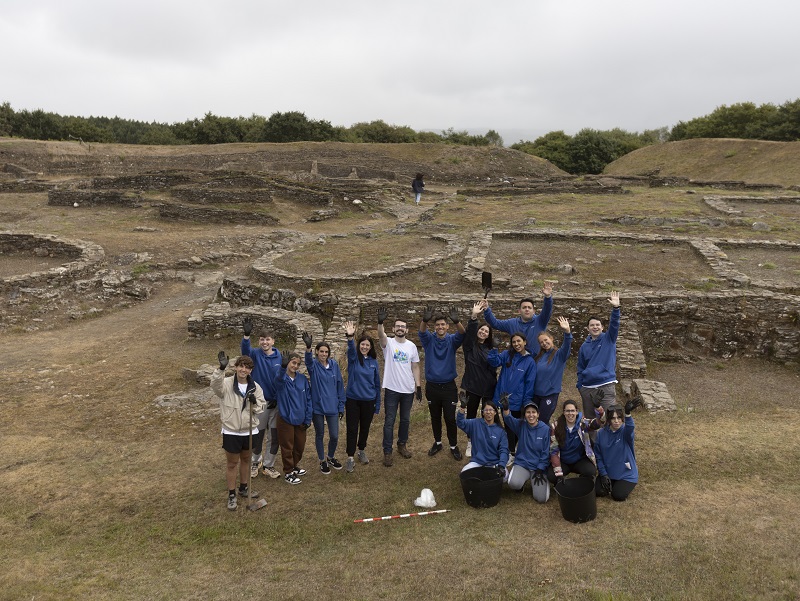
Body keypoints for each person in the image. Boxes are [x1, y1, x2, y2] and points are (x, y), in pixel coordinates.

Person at [210, 352, 265, 510]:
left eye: (247, 367)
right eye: (241, 366)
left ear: (250, 371)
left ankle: (244, 488)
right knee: (232, 463)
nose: (244, 370)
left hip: (249, 431)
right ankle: (232, 494)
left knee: (246, 460)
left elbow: (262, 407)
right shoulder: (226, 383)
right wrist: (220, 369)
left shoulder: (256, 387)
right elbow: (215, 386)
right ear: (236, 367)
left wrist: (254, 404)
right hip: (232, 430)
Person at [419, 306, 466, 460]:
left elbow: (462, 334)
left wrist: (457, 321)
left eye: (443, 324)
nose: (440, 327)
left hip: (448, 387)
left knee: (450, 418)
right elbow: (421, 331)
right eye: (437, 325)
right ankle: (438, 442)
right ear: (435, 327)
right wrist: (424, 320)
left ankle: (453, 445)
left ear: (447, 326)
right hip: (432, 386)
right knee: (435, 417)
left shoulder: (452, 340)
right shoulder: (429, 340)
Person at [378, 307, 422, 467]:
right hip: (391, 389)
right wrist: (380, 322)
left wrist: (418, 386)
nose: (400, 328)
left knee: (405, 420)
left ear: (407, 330)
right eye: (398, 326)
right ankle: (387, 452)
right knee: (389, 421)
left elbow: (415, 366)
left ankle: (401, 445)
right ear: (393, 329)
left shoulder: (411, 346)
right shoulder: (388, 343)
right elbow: (380, 336)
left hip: (408, 390)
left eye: (403, 326)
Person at [240, 319, 283, 480]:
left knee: (274, 436)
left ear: (273, 341)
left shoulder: (280, 357)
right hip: (260, 404)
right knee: (258, 435)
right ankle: (255, 462)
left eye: (268, 339)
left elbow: (283, 380)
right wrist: (246, 336)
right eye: (262, 339)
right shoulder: (255, 355)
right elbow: (245, 352)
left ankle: (269, 465)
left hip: (276, 404)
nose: (265, 342)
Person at [487, 332, 536, 463]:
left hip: (517, 400)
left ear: (525, 342)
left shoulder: (529, 361)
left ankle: (514, 451)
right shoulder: (507, 355)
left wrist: (526, 402)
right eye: (514, 342)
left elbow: (529, 383)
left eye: (519, 341)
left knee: (514, 427)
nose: (516, 344)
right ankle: (510, 451)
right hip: (503, 398)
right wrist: (494, 348)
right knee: (506, 425)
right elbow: (493, 362)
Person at [303, 332, 345, 475]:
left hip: (332, 406)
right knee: (319, 434)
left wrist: (341, 405)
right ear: (317, 352)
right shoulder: (314, 366)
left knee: (334, 435)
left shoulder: (334, 365)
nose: (324, 354)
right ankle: (322, 460)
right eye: (321, 351)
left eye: (326, 352)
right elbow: (308, 361)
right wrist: (308, 347)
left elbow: (340, 385)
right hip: (318, 407)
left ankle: (331, 456)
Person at [460, 299, 498, 458]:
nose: (483, 332)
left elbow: (494, 367)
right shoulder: (470, 346)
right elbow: (469, 334)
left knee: (488, 415)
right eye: (481, 330)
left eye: (486, 331)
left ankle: (489, 441)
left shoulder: (492, 349)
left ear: (489, 336)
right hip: (472, 386)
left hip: (488, 388)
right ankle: (470, 442)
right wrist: (474, 317)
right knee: (471, 415)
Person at [342, 321, 382, 473]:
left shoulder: (373, 363)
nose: (364, 347)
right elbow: (351, 349)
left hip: (369, 401)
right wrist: (350, 337)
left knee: (365, 428)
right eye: (362, 344)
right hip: (353, 400)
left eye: (367, 345)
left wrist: (377, 404)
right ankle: (350, 457)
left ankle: (361, 450)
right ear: (359, 346)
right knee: (352, 429)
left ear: (371, 347)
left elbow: (377, 385)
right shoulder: (353, 359)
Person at [577, 291, 621, 422]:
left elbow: (614, 324)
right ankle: (593, 443)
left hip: (606, 385)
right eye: (592, 325)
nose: (595, 327)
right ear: (587, 329)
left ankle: (610, 442)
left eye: (597, 325)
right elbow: (580, 367)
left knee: (611, 419)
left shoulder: (609, 339)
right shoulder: (584, 346)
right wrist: (580, 386)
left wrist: (616, 308)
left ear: (602, 327)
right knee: (591, 422)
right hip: (588, 388)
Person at [482, 281, 554, 356]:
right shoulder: (512, 323)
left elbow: (547, 310)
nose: (527, 309)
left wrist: (548, 297)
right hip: (518, 361)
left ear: (533, 311)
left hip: (537, 361)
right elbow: (495, 323)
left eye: (529, 307)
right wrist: (487, 309)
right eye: (524, 307)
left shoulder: (540, 321)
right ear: (519, 311)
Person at [502, 400, 551, 503]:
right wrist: (506, 408)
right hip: (522, 464)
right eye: (528, 412)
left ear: (538, 414)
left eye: (533, 412)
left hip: (537, 467)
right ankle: (520, 485)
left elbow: (546, 452)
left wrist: (540, 468)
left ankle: (536, 484)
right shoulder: (521, 425)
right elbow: (508, 419)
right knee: (513, 483)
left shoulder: (545, 429)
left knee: (542, 499)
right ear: (524, 415)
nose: (531, 415)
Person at [274, 352, 312, 484]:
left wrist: (308, 418)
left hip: (300, 418)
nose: (295, 366)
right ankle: (288, 472)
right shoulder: (282, 379)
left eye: (298, 364)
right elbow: (279, 379)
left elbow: (308, 399)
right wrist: (282, 367)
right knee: (287, 447)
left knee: (299, 446)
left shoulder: (302, 379)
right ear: (288, 362)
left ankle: (294, 465)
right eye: (293, 363)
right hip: (285, 418)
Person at [594, 398, 642, 501]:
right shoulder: (601, 434)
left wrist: (628, 414)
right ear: (609, 420)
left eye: (619, 418)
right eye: (613, 418)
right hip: (609, 472)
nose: (616, 421)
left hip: (626, 473)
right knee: (598, 491)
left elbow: (630, 428)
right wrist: (603, 474)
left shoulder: (625, 431)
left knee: (618, 495)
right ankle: (613, 482)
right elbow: (598, 456)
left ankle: (619, 484)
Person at [547, 400, 603, 485]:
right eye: (567, 411)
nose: (570, 413)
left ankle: (582, 482)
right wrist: (559, 474)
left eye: (572, 410)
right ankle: (561, 483)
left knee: (590, 471)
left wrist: (598, 408)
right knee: (552, 476)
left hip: (579, 460)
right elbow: (554, 451)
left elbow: (598, 423)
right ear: (564, 412)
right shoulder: (555, 426)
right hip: (563, 461)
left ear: (576, 412)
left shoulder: (583, 423)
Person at [532, 316, 573, 425]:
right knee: (532, 421)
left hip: (549, 395)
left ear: (551, 339)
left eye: (546, 340)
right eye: (541, 342)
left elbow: (566, 346)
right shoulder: (539, 357)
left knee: (542, 422)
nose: (544, 343)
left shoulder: (559, 355)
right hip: (535, 395)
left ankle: (545, 440)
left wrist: (567, 332)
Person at [456, 400, 508, 473]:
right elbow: (460, 423)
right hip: (477, 462)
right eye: (486, 410)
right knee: (464, 473)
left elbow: (504, 450)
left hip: (494, 463)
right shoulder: (475, 423)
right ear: (483, 412)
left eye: (491, 410)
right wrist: (462, 408)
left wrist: (501, 465)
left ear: (495, 412)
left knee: (505, 477)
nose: (488, 412)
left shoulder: (501, 431)